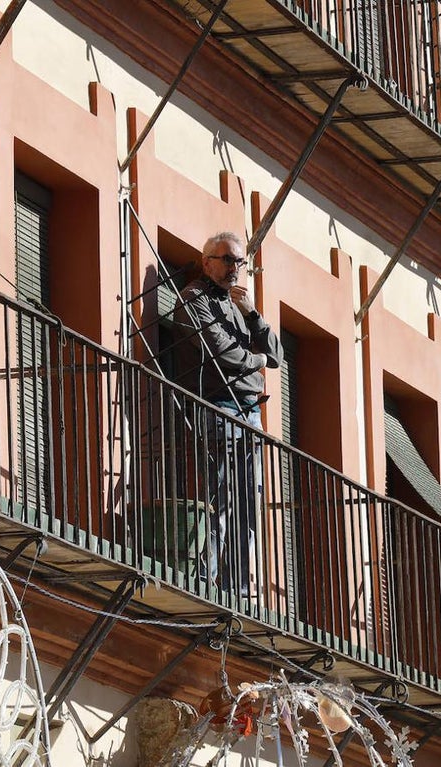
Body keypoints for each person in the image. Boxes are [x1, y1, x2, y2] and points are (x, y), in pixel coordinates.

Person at [172, 231, 283, 598]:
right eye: (228, 260)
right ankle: (208, 578)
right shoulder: (192, 299)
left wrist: (252, 313)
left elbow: (278, 356)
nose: (235, 268)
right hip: (218, 407)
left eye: (239, 261)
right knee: (219, 497)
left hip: (250, 414)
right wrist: (257, 362)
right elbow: (221, 352)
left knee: (248, 503)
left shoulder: (239, 305)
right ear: (207, 262)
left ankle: (238, 587)